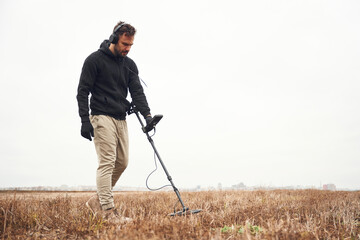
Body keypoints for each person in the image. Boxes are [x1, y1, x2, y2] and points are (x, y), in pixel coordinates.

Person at [76, 21, 152, 221]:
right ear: (113, 39)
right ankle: (108, 211)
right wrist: (84, 119)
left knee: (122, 162)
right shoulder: (94, 60)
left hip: (120, 118)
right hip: (101, 115)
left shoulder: (129, 65)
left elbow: (137, 91)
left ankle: (97, 200)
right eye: (124, 44)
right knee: (107, 162)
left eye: (130, 45)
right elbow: (82, 91)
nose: (127, 49)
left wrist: (148, 116)